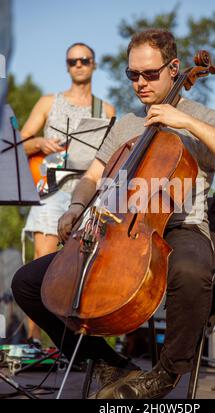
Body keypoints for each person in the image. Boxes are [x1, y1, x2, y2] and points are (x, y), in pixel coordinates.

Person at [12, 29, 215, 399]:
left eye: (149, 74)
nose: (139, 83)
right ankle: (110, 364)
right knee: (29, 282)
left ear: (175, 69)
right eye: (132, 75)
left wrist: (185, 122)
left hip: (180, 228)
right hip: (116, 227)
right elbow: (93, 175)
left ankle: (167, 372)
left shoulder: (201, 117)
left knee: (191, 271)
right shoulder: (126, 123)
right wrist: (77, 206)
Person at [20, 42, 115, 343]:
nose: (78, 65)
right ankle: (34, 343)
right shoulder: (49, 102)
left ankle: (75, 346)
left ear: (93, 65)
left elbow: (114, 153)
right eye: (72, 61)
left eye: (84, 60)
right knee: (40, 263)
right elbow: (18, 144)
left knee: (83, 269)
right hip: (51, 186)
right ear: (67, 65)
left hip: (87, 190)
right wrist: (39, 144)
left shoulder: (106, 109)